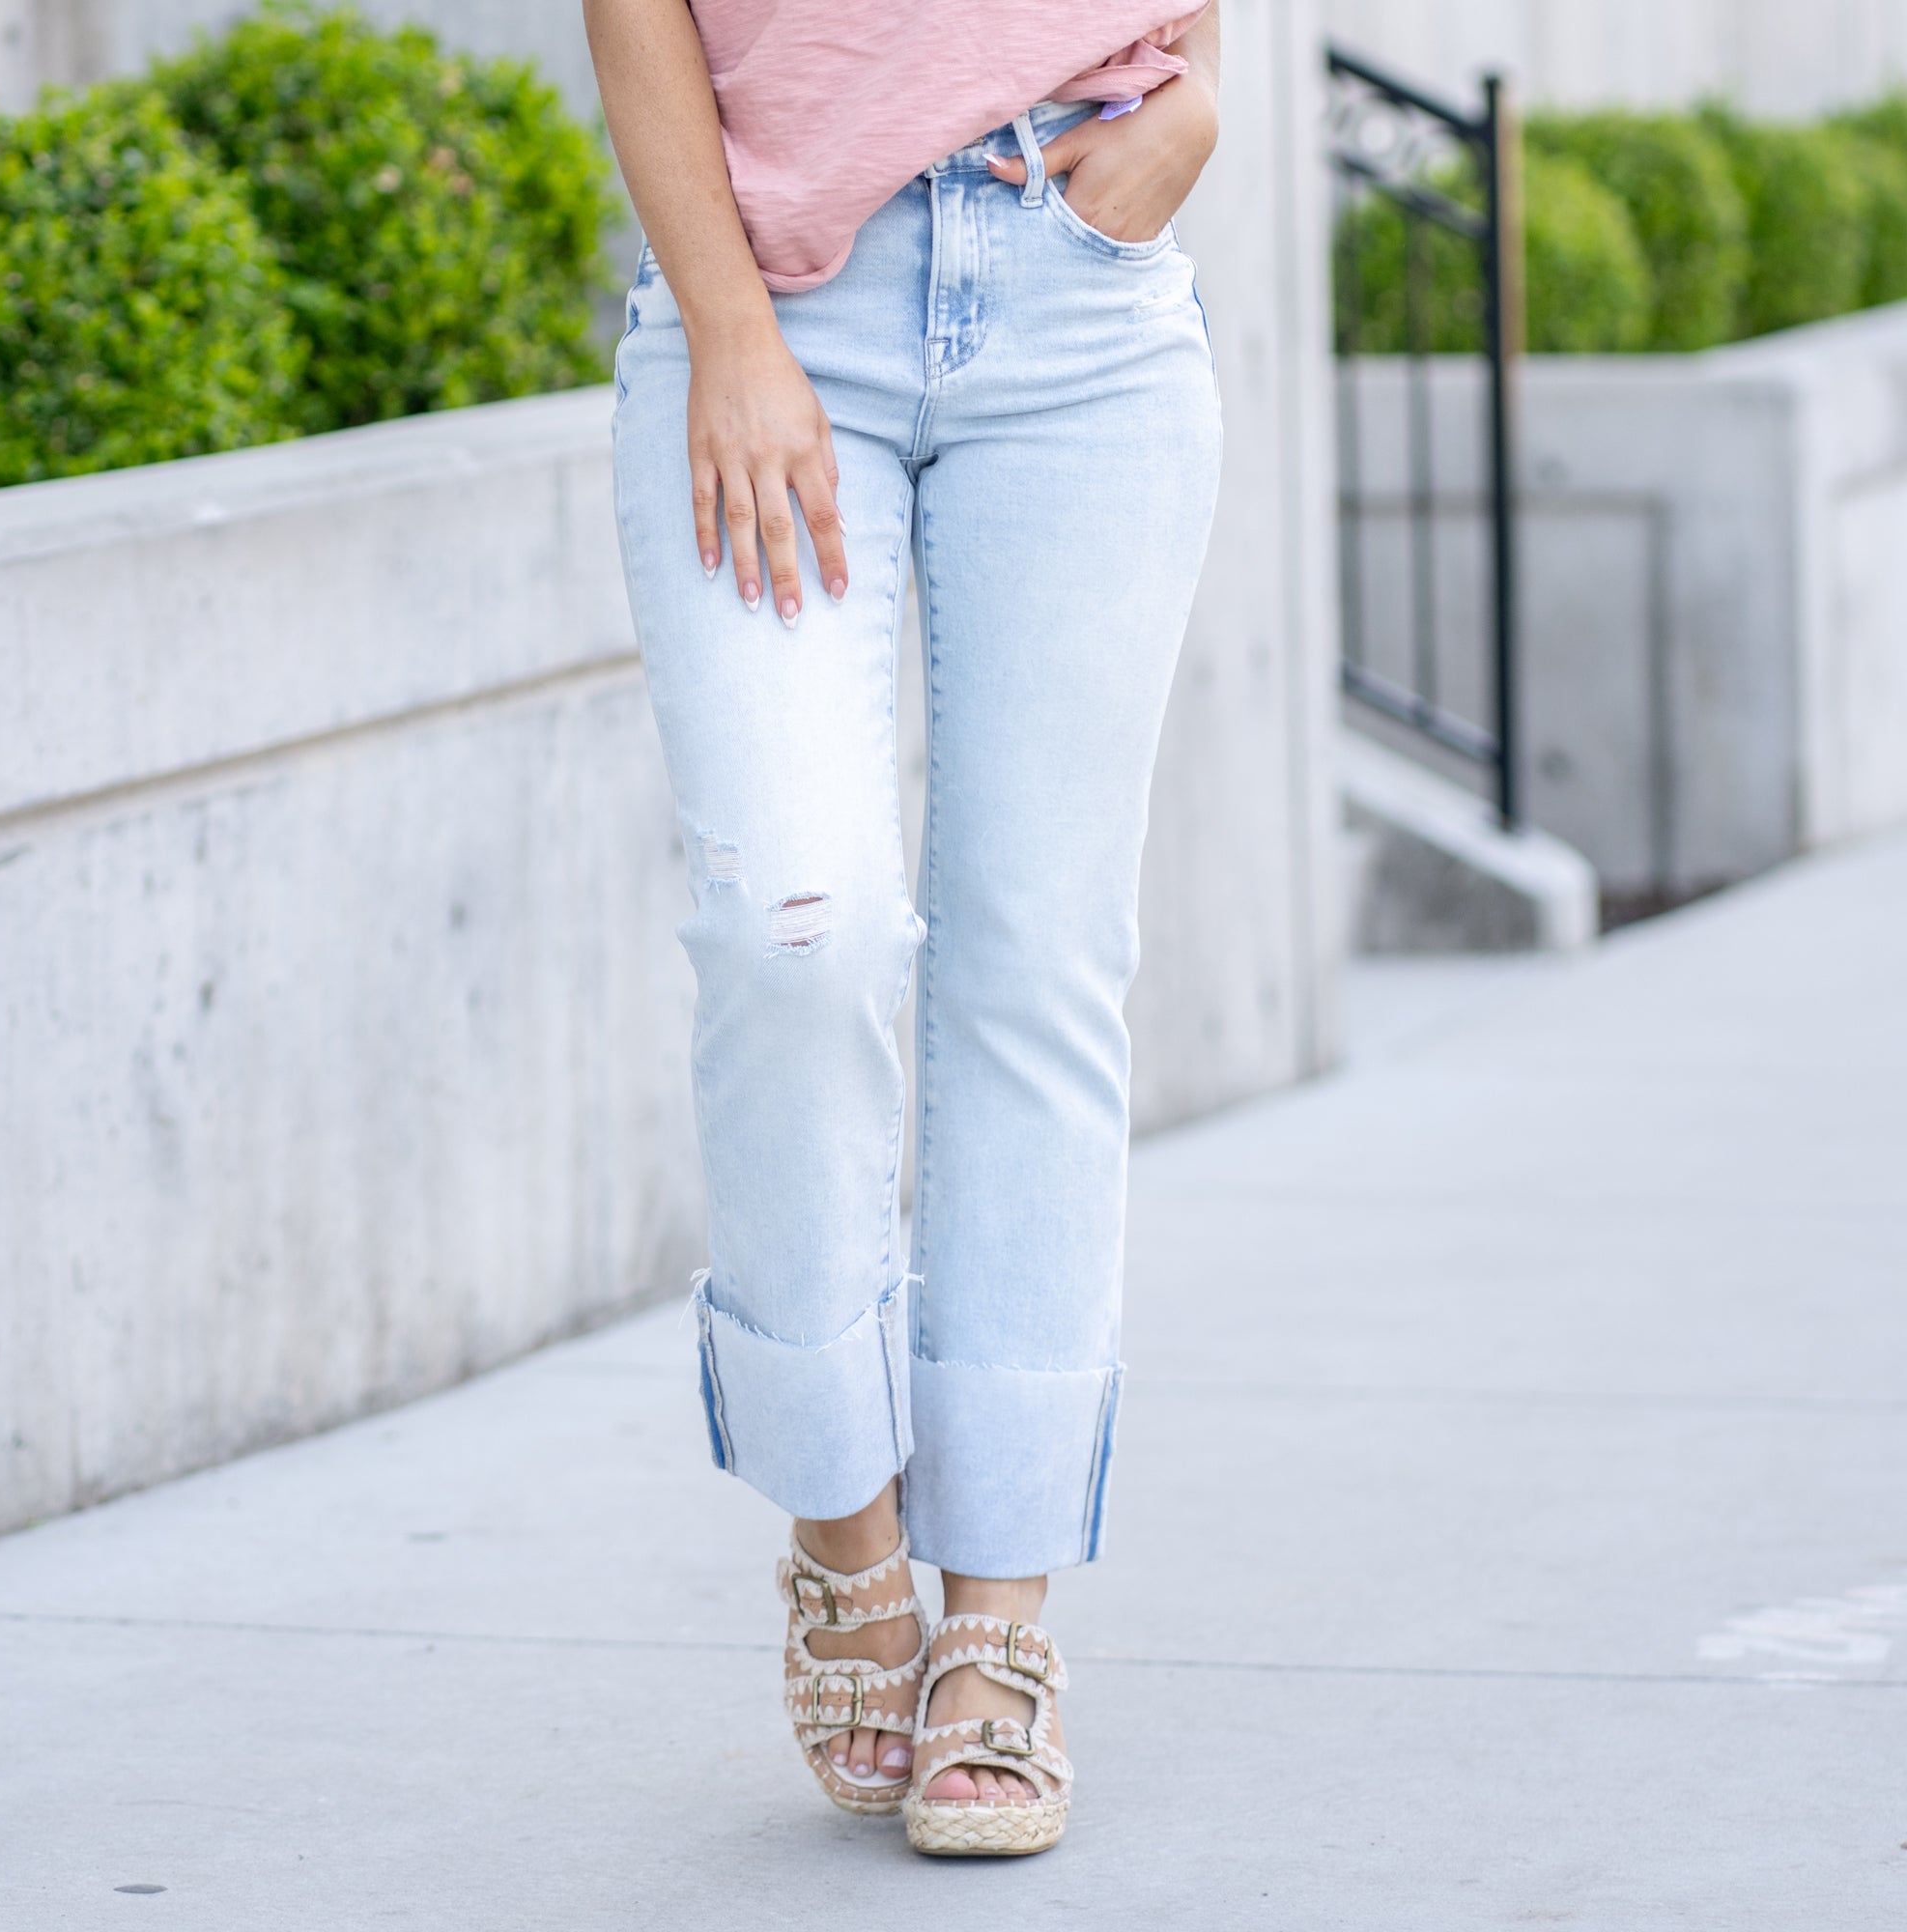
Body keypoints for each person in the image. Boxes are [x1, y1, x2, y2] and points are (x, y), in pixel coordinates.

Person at [582, 0, 1223, 1858]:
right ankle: (842, 1527)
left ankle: (1000, 1623)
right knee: (797, 933)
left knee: (1037, 966)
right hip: (778, 306)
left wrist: (1203, 97)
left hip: (1083, 305)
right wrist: (727, 330)